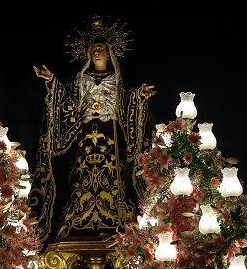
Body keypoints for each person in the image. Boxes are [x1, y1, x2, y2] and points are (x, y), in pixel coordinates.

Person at [31, 16, 155, 244]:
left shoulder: (117, 80)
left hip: (110, 135)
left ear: (109, 53)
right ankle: (79, 212)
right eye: (94, 49)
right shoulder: (81, 80)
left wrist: (139, 95)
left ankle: (117, 217)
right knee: (81, 173)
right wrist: (52, 81)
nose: (96, 52)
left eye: (101, 48)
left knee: (114, 171)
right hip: (86, 135)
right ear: (89, 54)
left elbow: (126, 101)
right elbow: (66, 97)